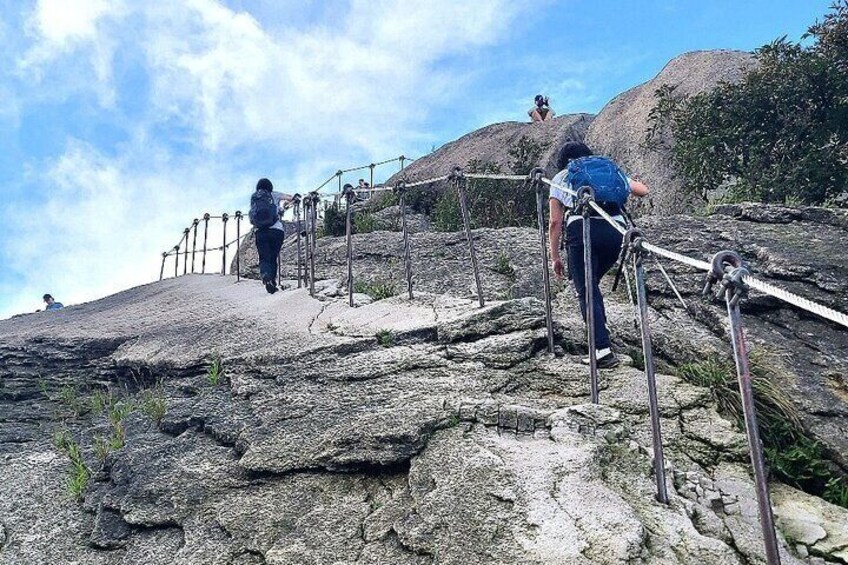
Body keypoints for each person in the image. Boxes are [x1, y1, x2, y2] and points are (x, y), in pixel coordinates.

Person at [548, 142, 648, 368]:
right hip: (616, 231)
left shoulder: (563, 177)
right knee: (590, 285)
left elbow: (555, 223)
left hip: (582, 231)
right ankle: (600, 329)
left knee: (586, 290)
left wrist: (555, 257)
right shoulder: (607, 170)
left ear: (564, 160)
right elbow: (643, 190)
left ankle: (601, 350)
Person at [250, 178, 292, 294]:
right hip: (276, 230)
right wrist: (285, 206)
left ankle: (266, 276)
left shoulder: (254, 198)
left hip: (260, 231)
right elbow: (291, 197)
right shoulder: (274, 194)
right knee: (273, 257)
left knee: (264, 257)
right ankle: (272, 281)